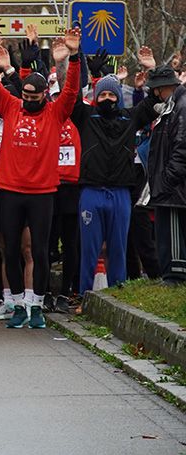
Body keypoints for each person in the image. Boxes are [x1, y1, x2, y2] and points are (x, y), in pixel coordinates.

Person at [0, 20, 81, 329]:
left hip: (42, 192)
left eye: (34, 96)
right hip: (10, 189)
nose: (28, 99)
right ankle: (15, 304)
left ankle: (35, 304)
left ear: (43, 95)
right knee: (10, 249)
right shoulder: (10, 106)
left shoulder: (55, 111)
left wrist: (74, 56)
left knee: (39, 250)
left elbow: (72, 90)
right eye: (25, 94)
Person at [73, 73, 155, 297]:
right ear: (96, 97)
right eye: (103, 94)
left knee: (118, 249)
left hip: (120, 193)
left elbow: (156, 103)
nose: (107, 98)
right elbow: (70, 95)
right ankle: (84, 296)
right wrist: (69, 60)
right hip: (91, 191)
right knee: (89, 250)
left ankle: (117, 298)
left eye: (111, 94)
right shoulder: (87, 117)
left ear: (118, 97)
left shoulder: (130, 118)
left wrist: (147, 81)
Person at [143, 65, 186, 283]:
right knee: (165, 233)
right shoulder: (173, 106)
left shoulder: (181, 106)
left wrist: (167, 179)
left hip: (174, 188)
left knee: (173, 233)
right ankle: (170, 273)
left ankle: (175, 276)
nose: (154, 94)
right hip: (168, 184)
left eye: (156, 89)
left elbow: (181, 147)